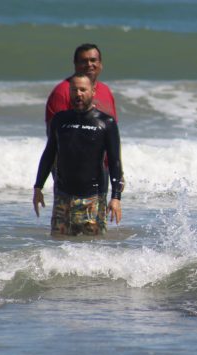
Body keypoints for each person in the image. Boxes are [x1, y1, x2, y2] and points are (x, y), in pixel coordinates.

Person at [33, 73, 123, 236]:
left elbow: (115, 161)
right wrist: (38, 187)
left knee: (94, 249)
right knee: (59, 246)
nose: (78, 94)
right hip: (63, 197)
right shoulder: (59, 120)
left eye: (83, 89)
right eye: (74, 90)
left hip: (93, 198)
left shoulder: (106, 123)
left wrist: (116, 197)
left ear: (93, 91)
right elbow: (49, 154)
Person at [45, 42, 123, 193]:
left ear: (101, 64)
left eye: (93, 60)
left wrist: (119, 175)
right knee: (70, 216)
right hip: (71, 174)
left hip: (102, 170)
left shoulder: (105, 91)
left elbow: (112, 138)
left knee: (97, 216)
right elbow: (55, 139)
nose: (89, 64)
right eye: (84, 61)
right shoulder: (63, 92)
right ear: (75, 64)